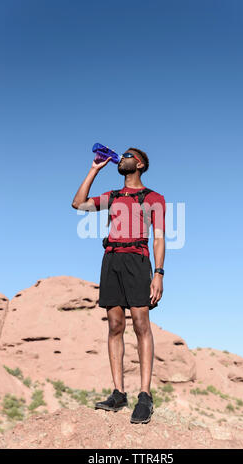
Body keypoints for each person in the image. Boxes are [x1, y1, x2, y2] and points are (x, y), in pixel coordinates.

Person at [71, 147, 166, 424]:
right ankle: (118, 393)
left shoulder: (153, 198)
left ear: (139, 163)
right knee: (114, 324)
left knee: (140, 322)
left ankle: (145, 395)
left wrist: (158, 273)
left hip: (138, 260)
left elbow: (159, 238)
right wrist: (94, 169)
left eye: (126, 155)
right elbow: (78, 204)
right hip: (111, 260)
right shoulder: (112, 196)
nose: (120, 158)